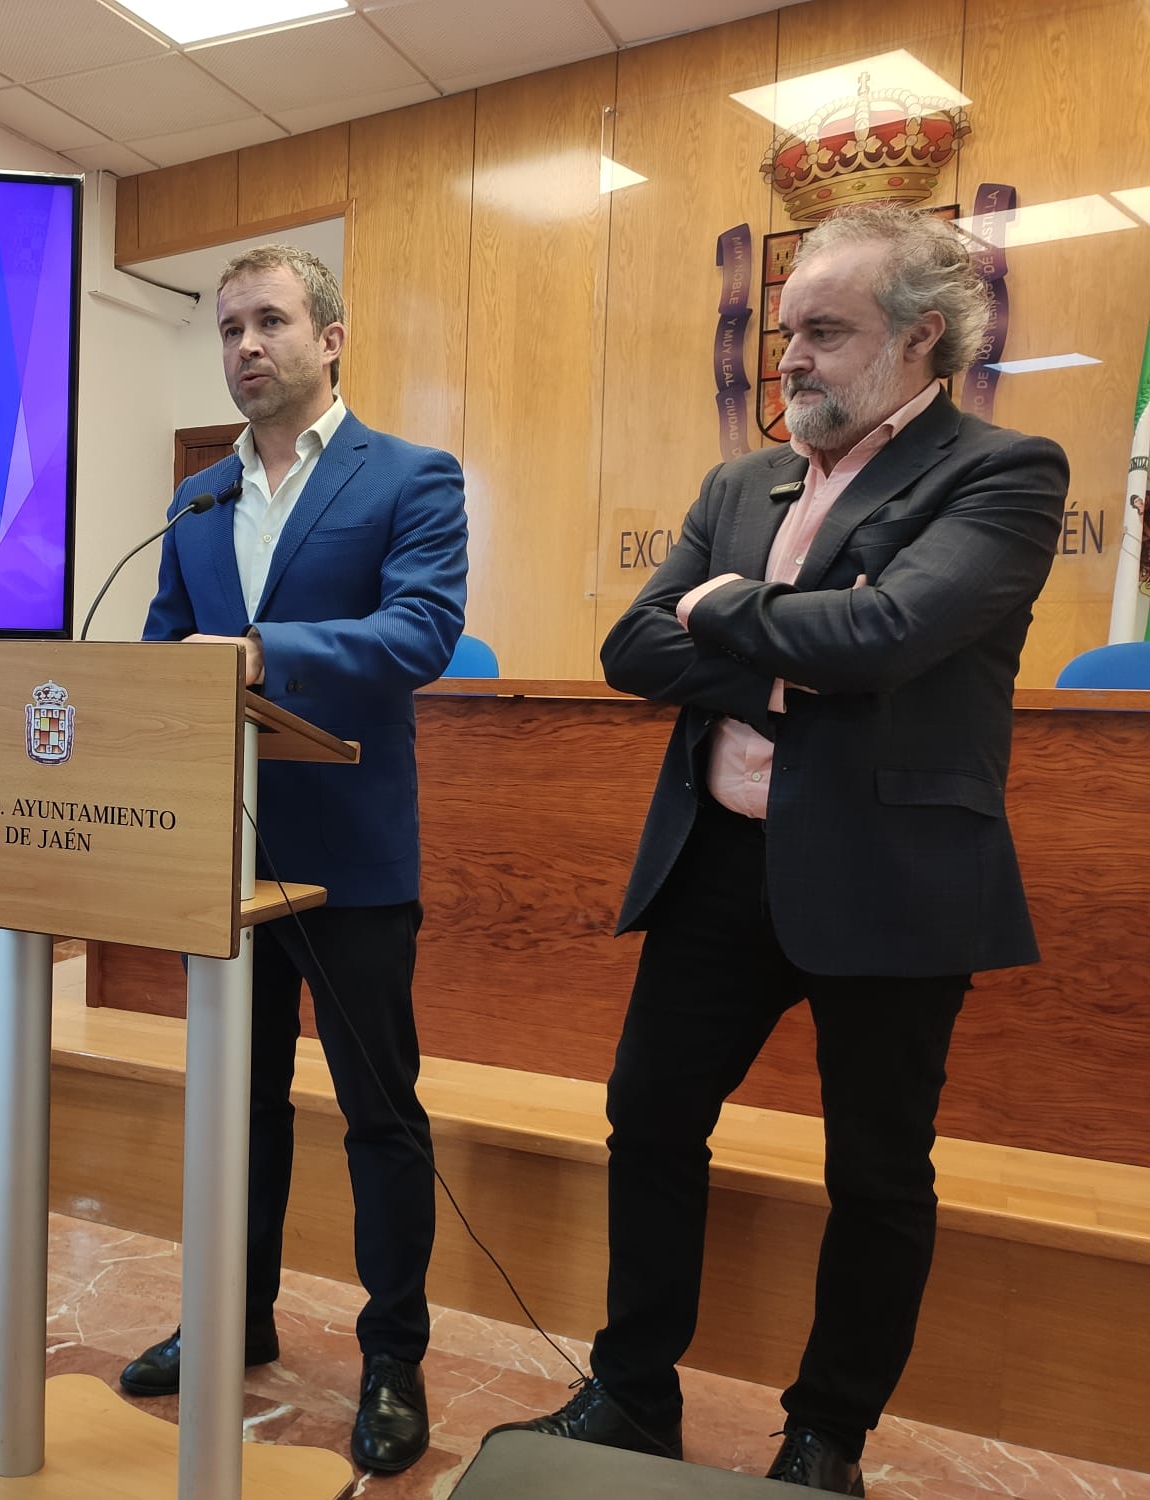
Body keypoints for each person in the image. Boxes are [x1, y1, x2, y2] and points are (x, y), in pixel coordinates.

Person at [488, 204, 1069, 1492]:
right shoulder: (737, 484)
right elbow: (631, 648)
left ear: (919, 338)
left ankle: (825, 1438)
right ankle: (632, 1395)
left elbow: (890, 638)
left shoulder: (1001, 470)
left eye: (821, 330)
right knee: (646, 1122)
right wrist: (784, 657)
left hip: (891, 879)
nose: (789, 358)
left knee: (872, 1170)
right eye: (785, 332)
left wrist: (731, 615)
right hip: (716, 864)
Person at [123, 243, 469, 1475]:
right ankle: (235, 1318)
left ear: (330, 339)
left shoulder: (409, 477)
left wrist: (261, 653)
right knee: (237, 1109)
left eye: (268, 322)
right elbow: (168, 647)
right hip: (223, 854)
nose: (244, 347)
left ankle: (393, 1357)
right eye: (227, 330)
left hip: (354, 858)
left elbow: (421, 631)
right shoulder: (199, 499)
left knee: (378, 1116)